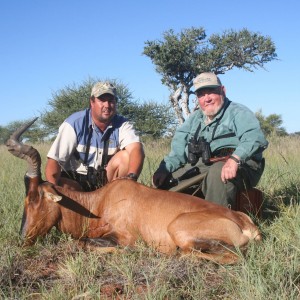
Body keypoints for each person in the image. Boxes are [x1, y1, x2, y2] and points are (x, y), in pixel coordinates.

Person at [152, 72, 268, 208]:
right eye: (201, 94)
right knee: (163, 185)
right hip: (203, 164)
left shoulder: (238, 112)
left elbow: (255, 138)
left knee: (218, 172)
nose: (207, 99)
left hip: (240, 164)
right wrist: (164, 169)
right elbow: (177, 151)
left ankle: (219, 224)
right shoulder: (194, 119)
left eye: (211, 92)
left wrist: (235, 159)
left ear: (222, 91)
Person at [46, 81, 145, 191]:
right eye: (102, 100)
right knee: (57, 185)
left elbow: (136, 149)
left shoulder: (122, 124)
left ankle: (116, 199)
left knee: (126, 157)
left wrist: (132, 178)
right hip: (76, 184)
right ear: (92, 102)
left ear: (116, 103)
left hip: (105, 184)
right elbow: (54, 161)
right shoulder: (73, 123)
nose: (107, 105)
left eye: (111, 101)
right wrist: (52, 191)